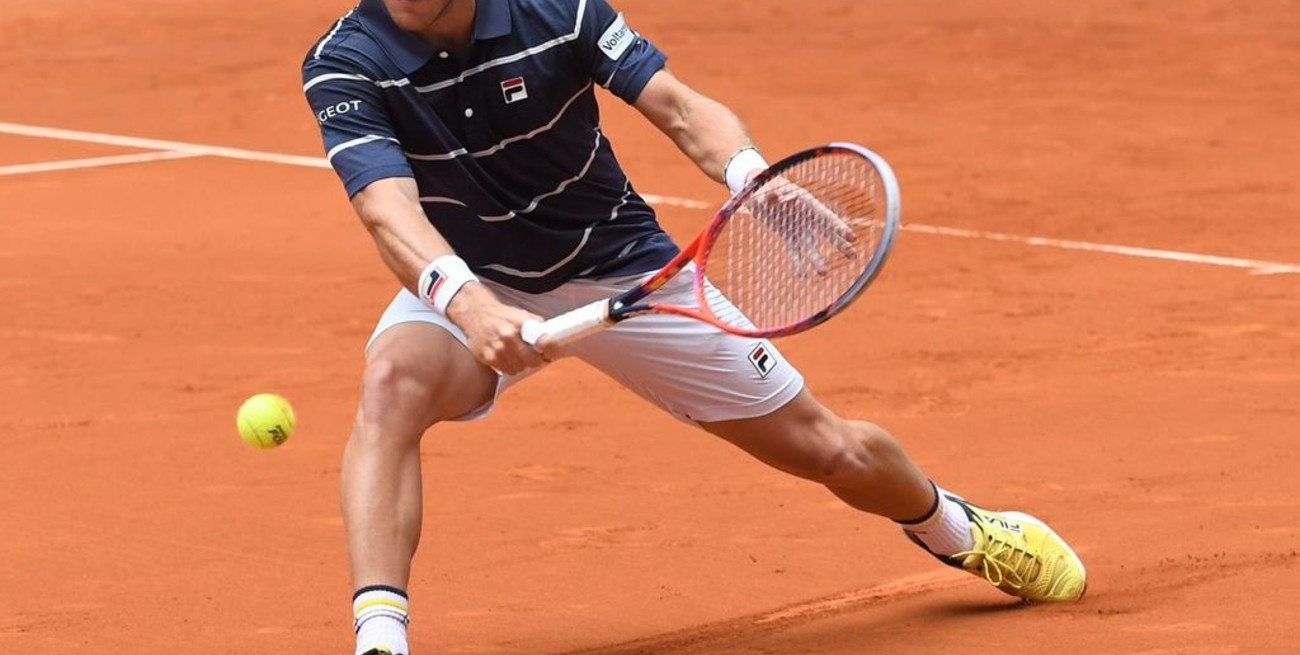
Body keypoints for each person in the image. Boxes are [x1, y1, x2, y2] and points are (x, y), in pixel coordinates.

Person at [301, 1, 1087, 653]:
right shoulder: (345, 58)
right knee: (390, 385)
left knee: (828, 448)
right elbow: (386, 207)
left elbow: (675, 106)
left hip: (623, 270)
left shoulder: (554, 7)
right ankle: (381, 639)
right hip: (476, 277)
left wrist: (754, 178)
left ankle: (957, 527)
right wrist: (464, 300)